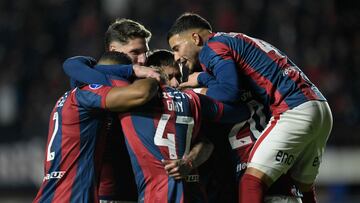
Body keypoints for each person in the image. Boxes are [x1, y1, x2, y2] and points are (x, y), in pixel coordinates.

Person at [167, 12, 333, 203]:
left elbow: (229, 91)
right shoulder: (235, 39)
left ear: (195, 38)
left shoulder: (211, 47)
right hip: (320, 107)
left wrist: (200, 80)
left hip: (293, 108)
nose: (177, 56)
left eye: (177, 48)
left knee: (251, 182)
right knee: (304, 187)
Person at [156, 49, 303, 202]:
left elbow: (239, 112)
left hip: (268, 187)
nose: (176, 83)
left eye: (178, 77)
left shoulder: (197, 100)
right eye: (169, 77)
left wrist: (200, 90)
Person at [33, 52, 159, 203]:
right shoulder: (87, 94)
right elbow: (140, 93)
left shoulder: (68, 97)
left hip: (55, 194)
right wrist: (153, 77)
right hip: (70, 197)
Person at [63, 18, 157, 202]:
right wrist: (130, 71)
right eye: (135, 52)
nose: (143, 59)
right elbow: (71, 65)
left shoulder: (145, 78)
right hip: (108, 193)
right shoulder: (93, 82)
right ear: (114, 50)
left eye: (146, 52)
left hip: (144, 191)